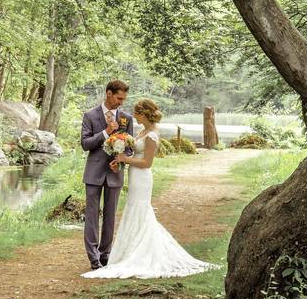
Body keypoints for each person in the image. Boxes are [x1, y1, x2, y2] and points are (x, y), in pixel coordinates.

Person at [82, 99, 216, 279]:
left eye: (137, 113)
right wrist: (119, 161)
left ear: (143, 113)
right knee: (133, 211)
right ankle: (130, 251)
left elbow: (147, 163)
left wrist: (124, 160)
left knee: (140, 211)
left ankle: (140, 252)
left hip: (142, 177)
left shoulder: (152, 134)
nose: (133, 116)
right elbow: (131, 151)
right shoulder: (143, 131)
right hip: (134, 175)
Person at [79, 80, 134, 270]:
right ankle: (93, 258)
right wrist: (105, 132)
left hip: (114, 174)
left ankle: (105, 255)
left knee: (110, 217)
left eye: (123, 99)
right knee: (92, 217)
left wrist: (120, 161)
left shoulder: (127, 118)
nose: (121, 102)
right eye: (119, 98)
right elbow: (85, 144)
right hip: (93, 173)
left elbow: (130, 148)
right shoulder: (90, 115)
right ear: (109, 93)